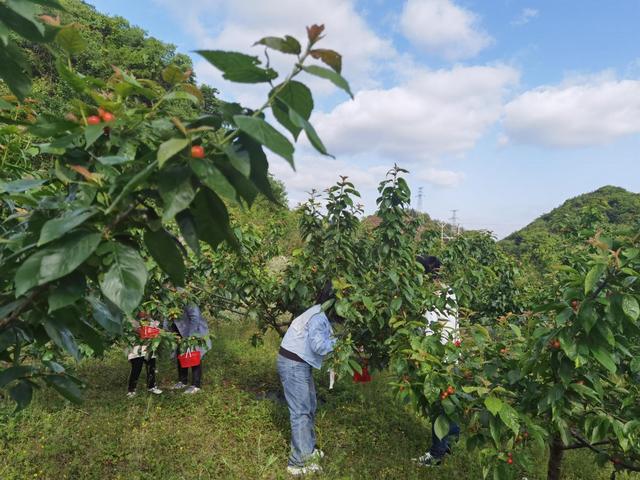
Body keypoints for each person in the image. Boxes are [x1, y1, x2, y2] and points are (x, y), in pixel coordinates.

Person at [277, 282, 339, 476]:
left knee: (309, 406)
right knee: (301, 411)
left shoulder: (319, 313)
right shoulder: (318, 317)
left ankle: (308, 450)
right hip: (293, 364)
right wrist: (342, 341)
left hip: (299, 363)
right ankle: (297, 462)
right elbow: (319, 346)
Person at [415, 255, 460, 467]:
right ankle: (451, 438)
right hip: (452, 354)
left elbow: (428, 330)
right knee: (448, 403)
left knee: (438, 407)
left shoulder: (431, 296)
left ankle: (437, 453)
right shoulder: (449, 290)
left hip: (438, 358)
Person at [170, 288, 211, 394]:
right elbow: (168, 316)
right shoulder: (169, 301)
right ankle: (182, 381)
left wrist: (190, 336)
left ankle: (196, 385)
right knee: (181, 354)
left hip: (193, 331)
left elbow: (195, 317)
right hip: (179, 331)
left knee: (194, 355)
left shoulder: (188, 301)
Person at [126, 312, 163, 398]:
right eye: (143, 312)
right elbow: (137, 330)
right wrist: (146, 330)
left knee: (151, 367)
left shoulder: (150, 319)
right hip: (136, 348)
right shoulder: (131, 319)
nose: (145, 313)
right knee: (136, 368)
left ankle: (152, 386)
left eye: (147, 311)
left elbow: (156, 328)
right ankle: (132, 389)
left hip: (148, 346)